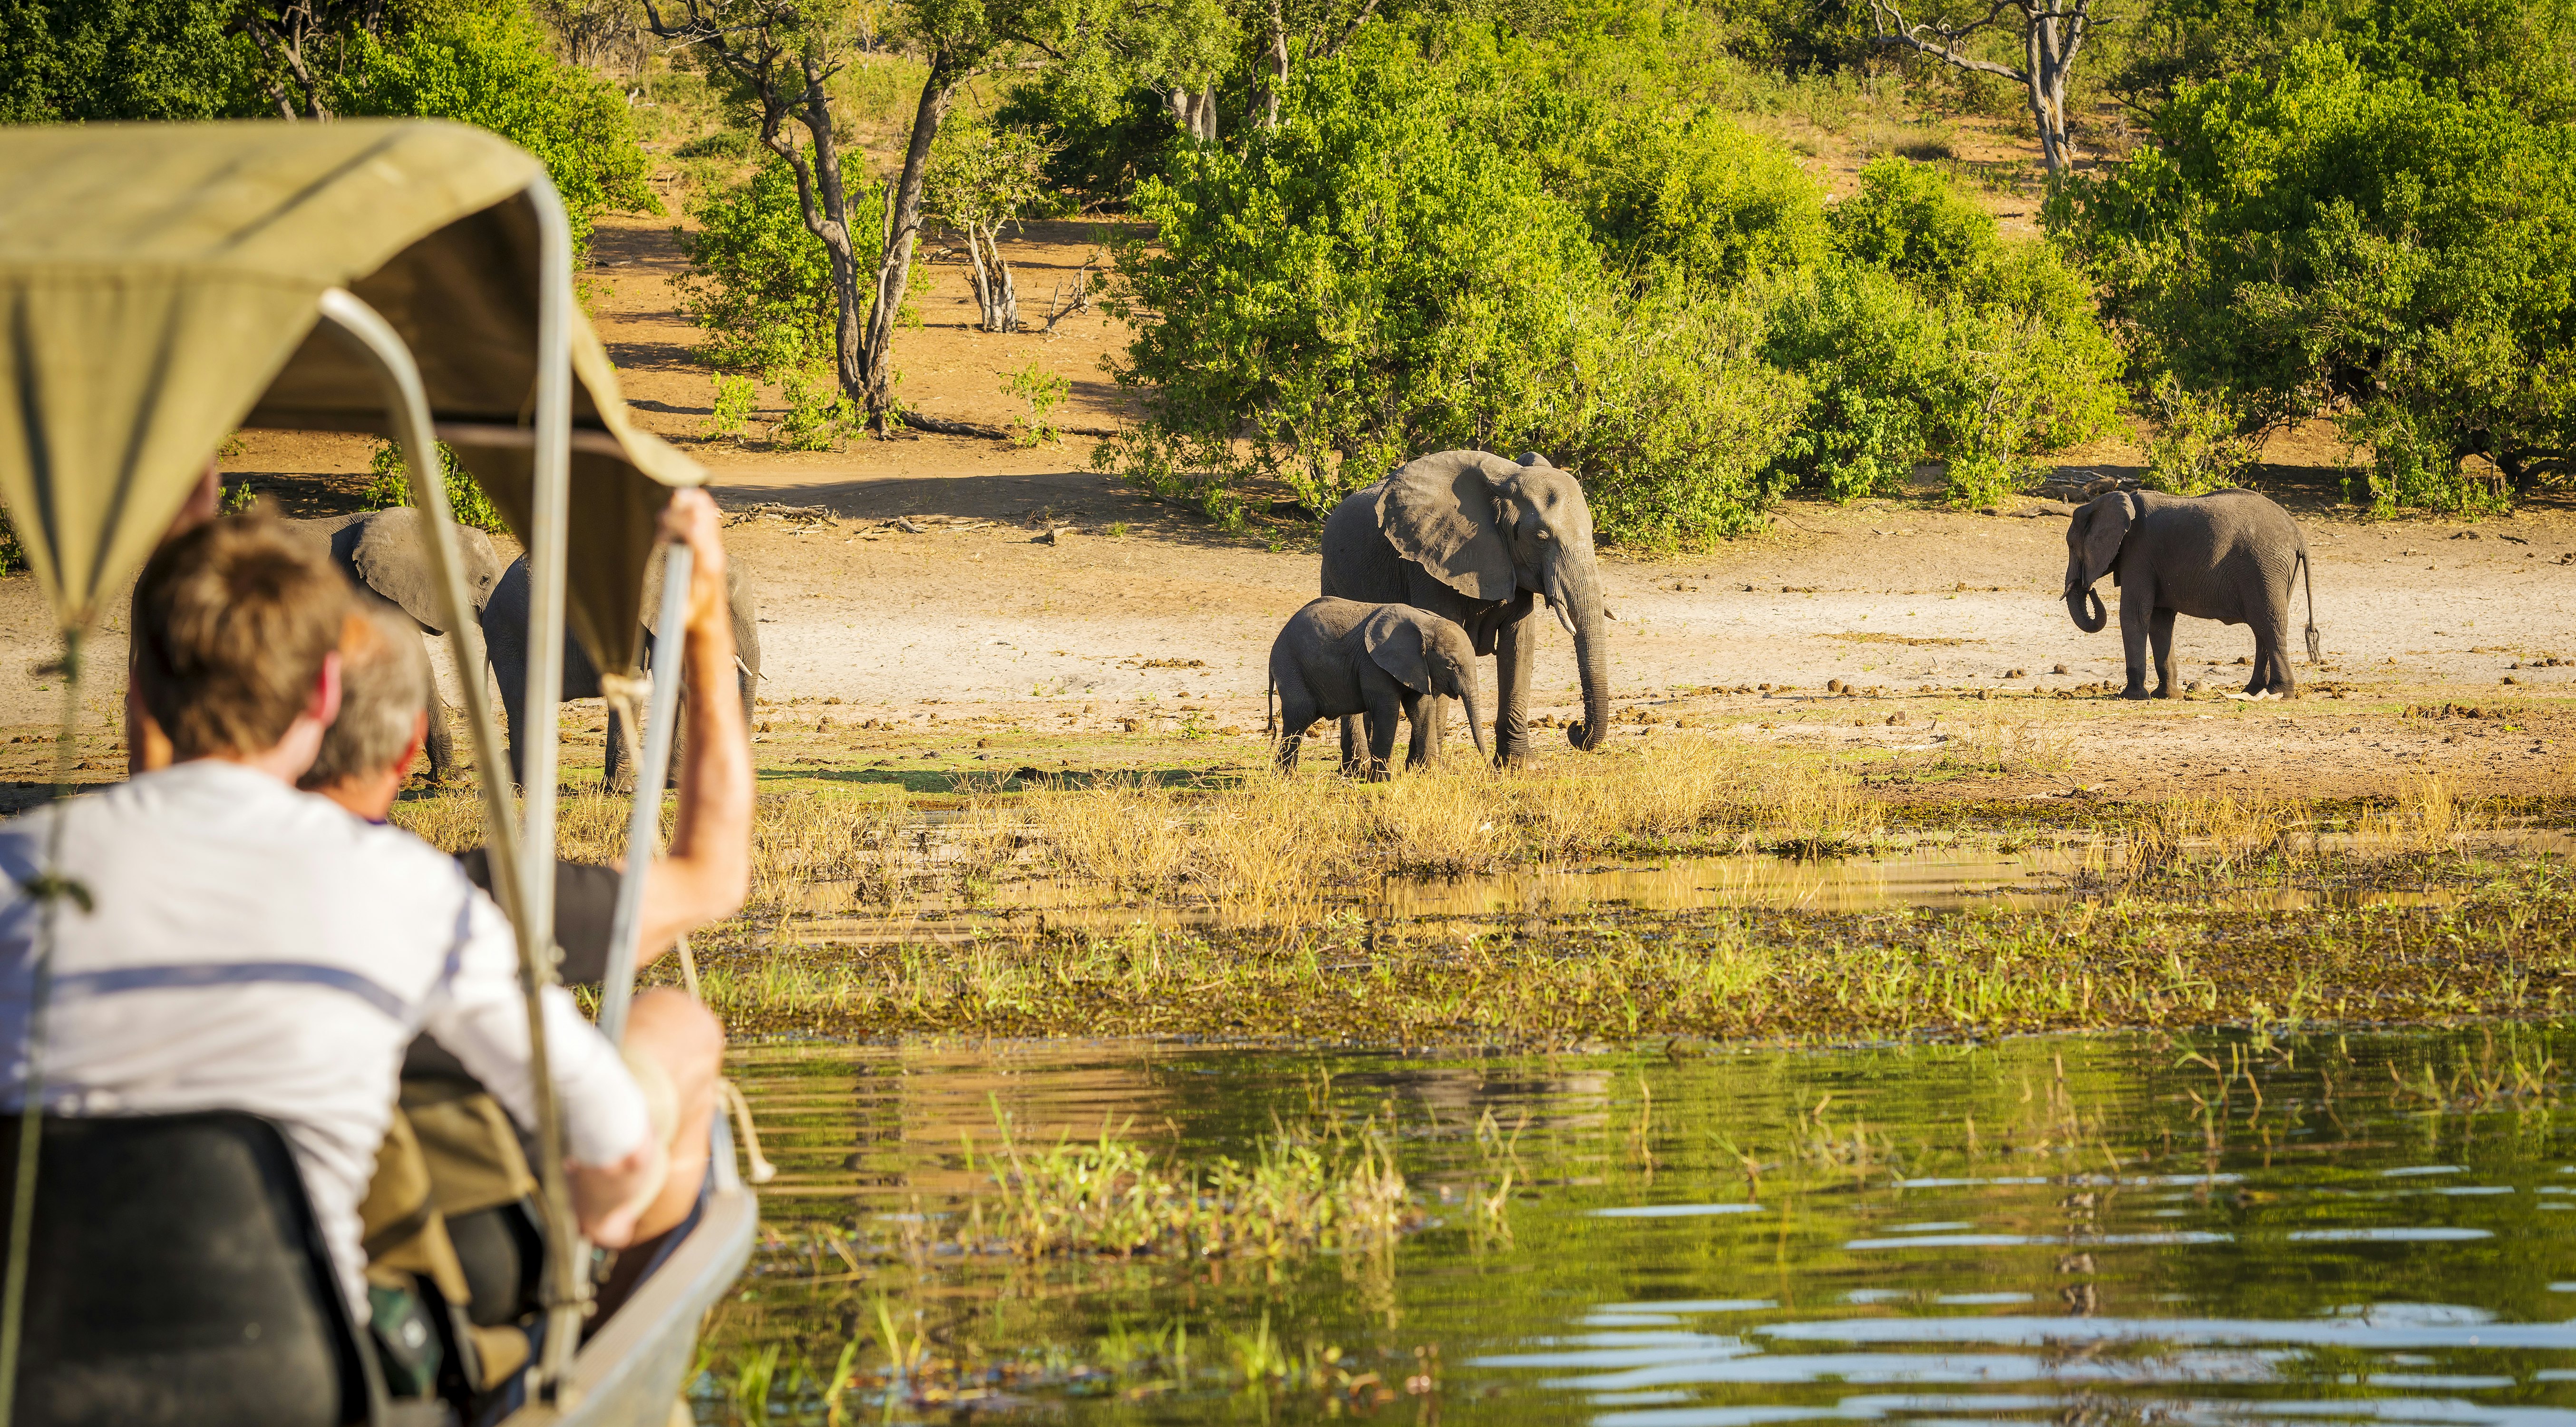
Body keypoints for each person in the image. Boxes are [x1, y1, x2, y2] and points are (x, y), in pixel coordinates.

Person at [0, 509, 662, 1320]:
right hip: (305, 1370)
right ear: (324, 692)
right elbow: (617, 1138)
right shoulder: (405, 888)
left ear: (138, 689)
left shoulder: (15, 875)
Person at [305, 488, 748, 1289]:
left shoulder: (32, 886)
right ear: (413, 745)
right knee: (674, 1024)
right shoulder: (450, 905)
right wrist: (707, 626)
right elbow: (713, 878)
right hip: (416, 1300)